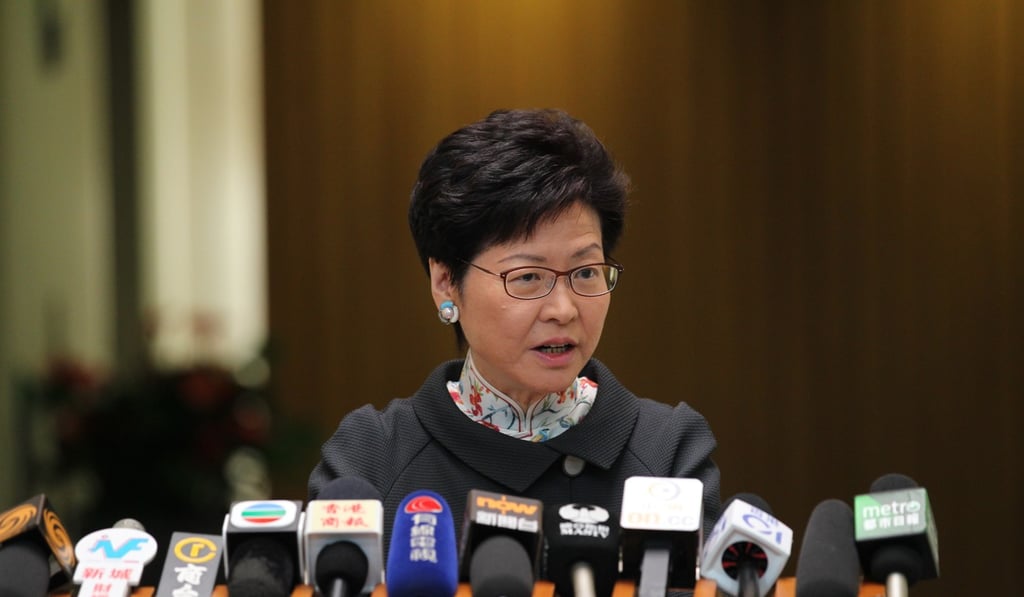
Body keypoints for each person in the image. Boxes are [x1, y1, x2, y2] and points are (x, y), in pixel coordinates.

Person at [308, 108, 721, 580]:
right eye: (527, 277)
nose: (563, 309)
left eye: (586, 271)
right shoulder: (373, 457)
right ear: (445, 283)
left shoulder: (666, 451)